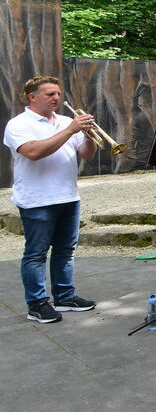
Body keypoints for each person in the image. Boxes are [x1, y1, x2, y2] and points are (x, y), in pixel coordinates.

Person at [4, 76, 98, 323]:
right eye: (49, 94)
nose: (56, 98)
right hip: (37, 199)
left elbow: (85, 155)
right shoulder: (18, 124)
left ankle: (65, 296)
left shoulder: (67, 121)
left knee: (66, 251)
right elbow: (34, 152)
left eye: (57, 93)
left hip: (68, 195)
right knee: (36, 253)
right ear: (32, 97)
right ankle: (36, 304)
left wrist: (88, 136)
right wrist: (70, 130)